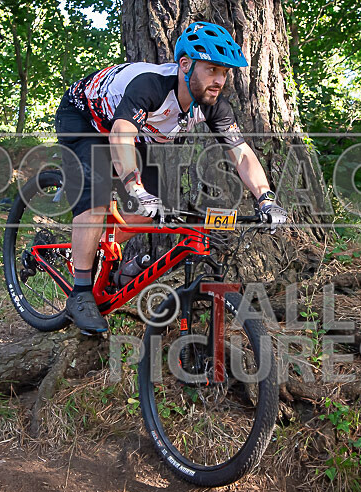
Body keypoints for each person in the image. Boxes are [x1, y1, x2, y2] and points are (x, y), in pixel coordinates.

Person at [54, 21, 288, 334]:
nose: (219, 80)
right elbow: (121, 135)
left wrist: (266, 199)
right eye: (212, 69)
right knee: (96, 196)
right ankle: (80, 293)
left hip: (142, 134)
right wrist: (134, 188)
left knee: (161, 208)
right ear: (185, 65)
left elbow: (241, 153)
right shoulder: (150, 85)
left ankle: (99, 246)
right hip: (86, 118)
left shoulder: (212, 105)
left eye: (225, 72)